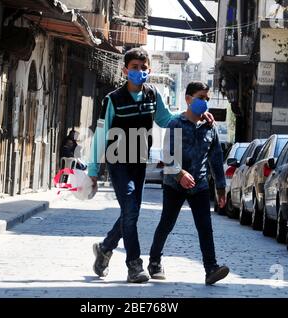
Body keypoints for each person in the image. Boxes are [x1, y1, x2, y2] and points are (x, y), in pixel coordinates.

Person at [87, 48, 215, 283]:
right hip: (118, 161)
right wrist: (93, 170)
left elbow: (167, 119)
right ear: (125, 70)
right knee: (130, 211)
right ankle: (134, 265)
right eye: (134, 67)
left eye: (143, 67)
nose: (139, 71)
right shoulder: (112, 99)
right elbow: (101, 134)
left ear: (149, 70)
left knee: (130, 213)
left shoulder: (152, 94)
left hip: (139, 162)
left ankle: (105, 248)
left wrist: (195, 115)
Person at [147, 81, 230, 285]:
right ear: (188, 99)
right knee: (167, 223)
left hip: (199, 185)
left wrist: (220, 188)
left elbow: (216, 158)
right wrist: (179, 174)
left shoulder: (210, 127)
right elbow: (167, 155)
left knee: (205, 227)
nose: (204, 102)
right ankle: (154, 261)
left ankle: (211, 268)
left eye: (206, 99)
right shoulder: (176, 124)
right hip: (174, 184)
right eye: (200, 97)